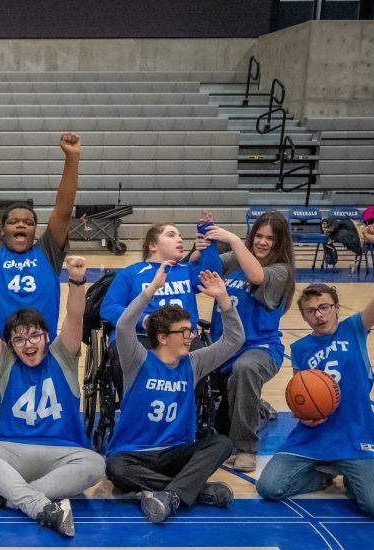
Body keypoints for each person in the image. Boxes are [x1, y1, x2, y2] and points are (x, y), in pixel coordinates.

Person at [256, 224, 374, 519]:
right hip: (312, 438)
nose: (319, 315)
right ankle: (322, 475)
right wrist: (304, 412)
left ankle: (349, 474)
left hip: (355, 436)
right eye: (311, 310)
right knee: (268, 487)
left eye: (324, 307)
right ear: (304, 315)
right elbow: (301, 394)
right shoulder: (300, 349)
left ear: (336, 308)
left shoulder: (355, 328)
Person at [0, 255, 103, 537]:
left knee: (95, 463)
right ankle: (42, 507)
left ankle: (6, 497)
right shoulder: (6, 363)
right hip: (15, 451)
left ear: (47, 336)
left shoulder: (63, 356)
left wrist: (76, 281)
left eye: (34, 336)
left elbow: (74, 318)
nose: (28, 344)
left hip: (63, 453)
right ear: (11, 345)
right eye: (19, 339)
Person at [0, 131, 80, 444]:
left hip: (38, 357)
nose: (21, 225)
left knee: (42, 434)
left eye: (28, 222)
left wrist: (72, 157)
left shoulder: (48, 253)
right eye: (14, 222)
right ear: (3, 229)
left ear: (36, 230)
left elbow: (64, 211)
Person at [105, 264, 245, 523]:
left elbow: (234, 341)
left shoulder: (193, 362)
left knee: (222, 443)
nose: (190, 336)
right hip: (134, 454)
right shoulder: (138, 360)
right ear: (162, 337)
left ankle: (170, 495)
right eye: (183, 332)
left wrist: (224, 299)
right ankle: (193, 491)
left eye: (190, 330)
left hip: (176, 453)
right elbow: (124, 326)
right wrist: (150, 291)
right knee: (115, 468)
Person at [192, 211, 296, 473]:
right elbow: (207, 270)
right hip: (224, 347)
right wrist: (201, 248)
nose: (262, 242)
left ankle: (247, 448)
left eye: (269, 238)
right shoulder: (234, 261)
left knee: (245, 369)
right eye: (258, 236)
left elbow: (257, 276)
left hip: (260, 349)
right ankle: (254, 406)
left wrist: (234, 240)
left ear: (279, 242)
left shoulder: (281, 271)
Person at [101, 224, 204, 344]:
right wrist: (144, 320)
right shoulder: (130, 273)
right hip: (140, 336)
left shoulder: (188, 270)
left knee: (203, 361)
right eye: (171, 235)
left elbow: (212, 276)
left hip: (183, 338)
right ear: (153, 245)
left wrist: (208, 247)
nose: (179, 239)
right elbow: (109, 308)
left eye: (180, 236)